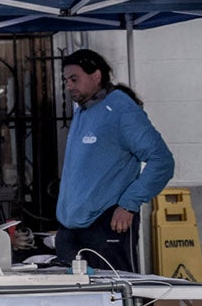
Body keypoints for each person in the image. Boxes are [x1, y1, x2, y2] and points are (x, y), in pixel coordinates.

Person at [55, 48, 174, 272]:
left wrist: (129, 204)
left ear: (96, 76)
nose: (69, 86)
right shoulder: (83, 111)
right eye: (66, 80)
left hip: (107, 224)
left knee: (115, 296)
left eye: (74, 79)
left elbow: (162, 161)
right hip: (72, 227)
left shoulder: (121, 110)